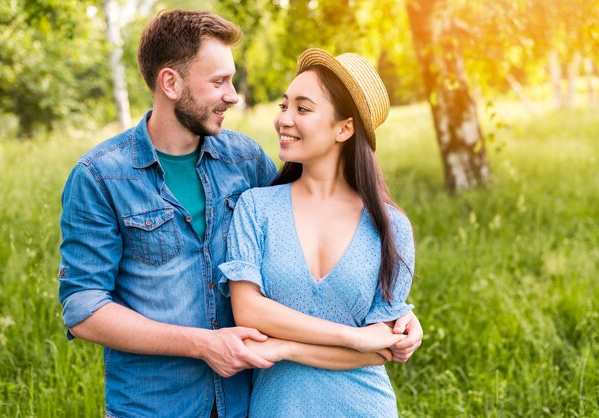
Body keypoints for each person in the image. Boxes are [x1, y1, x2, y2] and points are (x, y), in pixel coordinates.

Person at [58, 9, 422, 418]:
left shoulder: (245, 160)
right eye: (219, 82)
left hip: (241, 401)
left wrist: (400, 321)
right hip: (155, 405)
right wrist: (202, 343)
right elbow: (84, 308)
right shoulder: (100, 176)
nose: (233, 95)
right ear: (171, 83)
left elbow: (309, 222)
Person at [218, 48, 417, 417]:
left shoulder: (390, 227)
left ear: (344, 127)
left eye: (302, 109)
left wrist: (285, 348)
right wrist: (352, 337)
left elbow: (380, 349)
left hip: (364, 406)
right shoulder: (256, 207)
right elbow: (247, 309)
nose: (283, 120)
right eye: (283, 105)